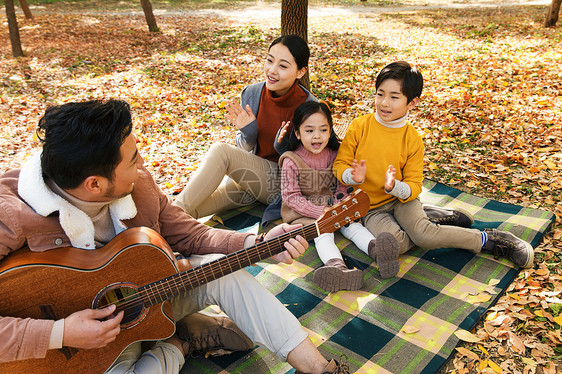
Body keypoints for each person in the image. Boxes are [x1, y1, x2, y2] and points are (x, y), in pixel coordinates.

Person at [0, 99, 350, 374]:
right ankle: (181, 340)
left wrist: (256, 243)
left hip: (150, 296)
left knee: (222, 269)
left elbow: (189, 233)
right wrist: (60, 333)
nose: (142, 165)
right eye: (133, 160)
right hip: (76, 352)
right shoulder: (10, 214)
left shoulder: (139, 185)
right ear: (95, 184)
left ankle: (319, 368)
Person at [333, 61, 534, 278]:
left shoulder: (412, 140)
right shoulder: (359, 127)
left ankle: (487, 239)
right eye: (380, 94)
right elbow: (339, 165)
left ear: (412, 102)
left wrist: (394, 186)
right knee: (395, 245)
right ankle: (430, 220)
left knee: (425, 237)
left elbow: (414, 185)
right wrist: (350, 176)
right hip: (371, 208)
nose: (384, 102)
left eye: (394, 96)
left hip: (402, 201)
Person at [175, 34, 317, 221]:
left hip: (282, 186)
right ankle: (152, 235)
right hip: (251, 182)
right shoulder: (252, 94)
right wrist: (249, 133)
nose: (272, 71)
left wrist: (284, 146)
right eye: (269, 60)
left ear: (300, 72)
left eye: (283, 66)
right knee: (191, 207)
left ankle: (167, 216)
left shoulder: (310, 108)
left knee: (221, 151)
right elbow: (244, 150)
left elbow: (313, 165)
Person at [278, 101, 401, 291]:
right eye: (309, 131)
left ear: (330, 131)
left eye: (323, 130)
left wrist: (338, 204)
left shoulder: (336, 153)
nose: (317, 136)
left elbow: (342, 185)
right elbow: (291, 197)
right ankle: (337, 268)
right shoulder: (291, 160)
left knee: (353, 224)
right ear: (297, 133)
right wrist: (321, 211)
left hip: (335, 205)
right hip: (307, 212)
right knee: (323, 232)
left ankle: (378, 251)